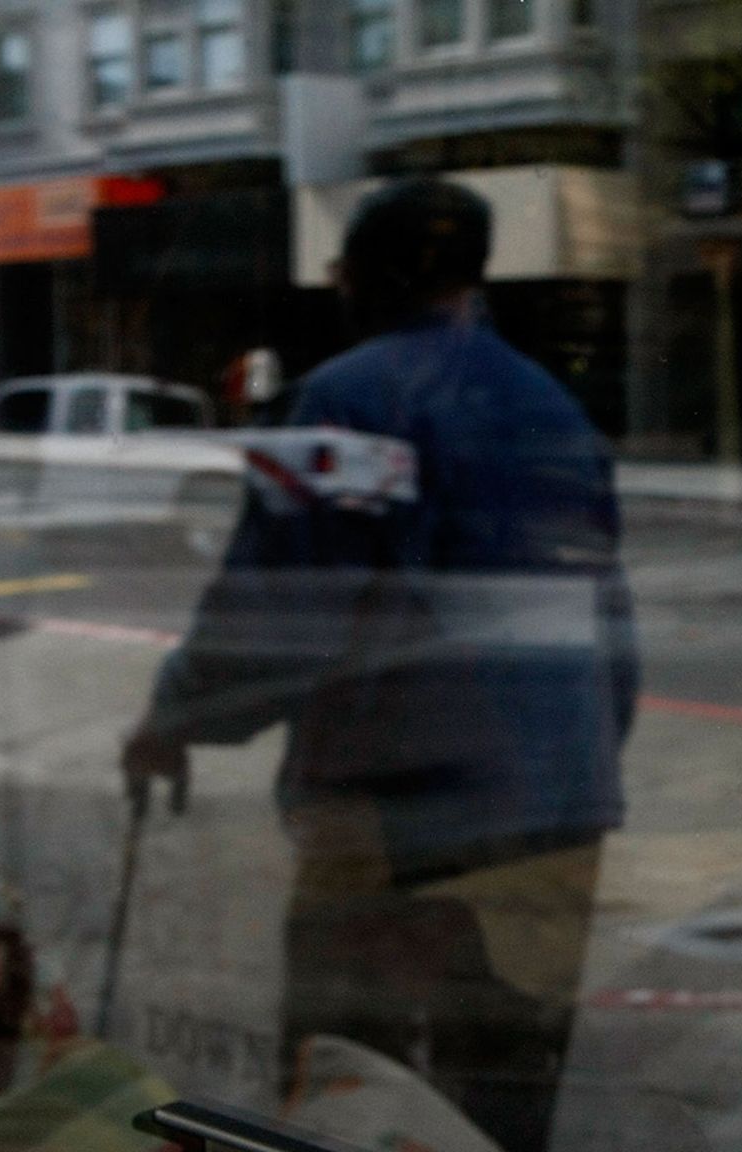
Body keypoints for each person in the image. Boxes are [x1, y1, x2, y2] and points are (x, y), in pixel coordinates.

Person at [121, 178, 638, 1150]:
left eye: (342, 267)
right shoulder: (554, 408)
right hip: (557, 812)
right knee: (500, 1100)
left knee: (346, 1084)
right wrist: (576, 774)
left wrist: (172, 719)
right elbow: (608, 626)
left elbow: (277, 610)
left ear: (369, 275)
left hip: (402, 815)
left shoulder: (349, 398)